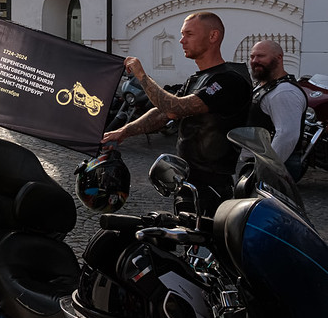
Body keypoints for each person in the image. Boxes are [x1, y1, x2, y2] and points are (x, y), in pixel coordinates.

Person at [102, 12, 252, 216]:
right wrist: (123, 132)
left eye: (189, 34)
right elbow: (162, 114)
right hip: (186, 180)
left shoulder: (229, 80)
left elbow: (173, 107)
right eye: (182, 34)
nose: (181, 41)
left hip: (212, 186)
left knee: (207, 244)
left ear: (213, 36)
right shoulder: (198, 79)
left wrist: (141, 76)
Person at [247, 39, 307, 180]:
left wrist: (266, 170)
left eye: (261, 56)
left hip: (277, 166)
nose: (255, 60)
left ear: (279, 57)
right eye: (252, 56)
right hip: (262, 161)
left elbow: (286, 135)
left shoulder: (284, 91)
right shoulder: (265, 85)